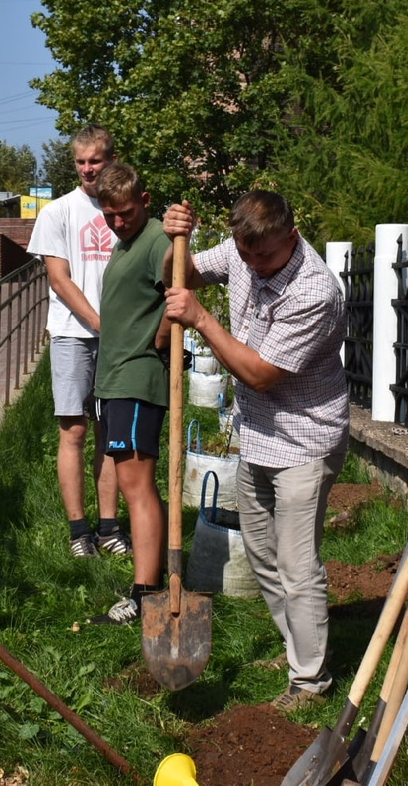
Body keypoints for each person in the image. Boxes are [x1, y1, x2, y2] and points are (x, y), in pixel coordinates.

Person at [162, 191, 349, 712]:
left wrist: (202, 320)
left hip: (305, 441)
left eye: (263, 256)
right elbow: (184, 274)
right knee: (263, 557)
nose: (251, 265)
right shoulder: (245, 249)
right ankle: (298, 653)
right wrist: (172, 238)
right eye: (244, 256)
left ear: (290, 236)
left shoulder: (315, 291)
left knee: (296, 564)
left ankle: (311, 682)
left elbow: (261, 375)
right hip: (259, 436)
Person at [26, 125, 128, 559]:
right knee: (74, 430)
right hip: (72, 333)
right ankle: (78, 531)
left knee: (110, 433)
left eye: (96, 160)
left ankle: (109, 527)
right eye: (81, 162)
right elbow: (59, 279)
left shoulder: (122, 209)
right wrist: (100, 323)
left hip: (119, 336)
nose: (88, 169)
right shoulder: (58, 212)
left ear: (111, 159)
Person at [87, 164, 171, 624]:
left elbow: (179, 290)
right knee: (129, 483)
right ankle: (146, 586)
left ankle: (145, 595)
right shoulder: (127, 242)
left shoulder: (157, 238)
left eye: (124, 213)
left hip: (137, 381)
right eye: (108, 214)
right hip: (117, 380)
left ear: (144, 199)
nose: (117, 222)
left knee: (136, 486)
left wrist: (156, 342)